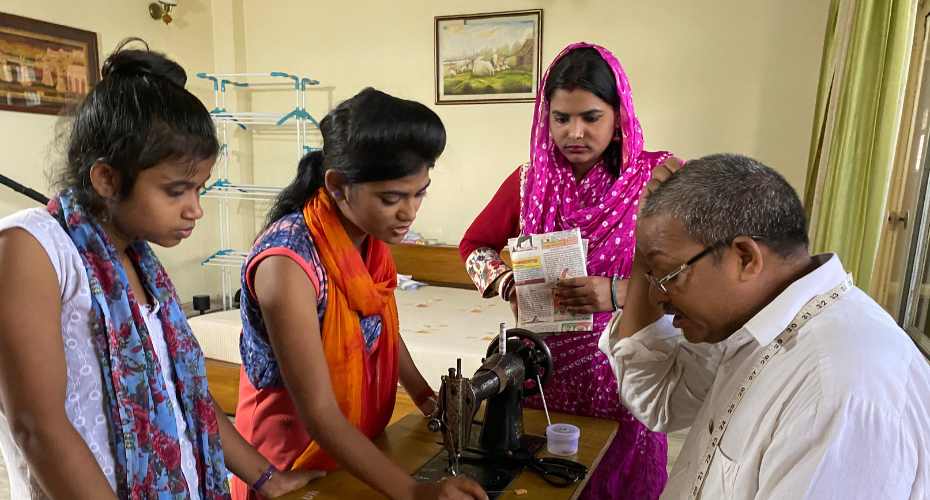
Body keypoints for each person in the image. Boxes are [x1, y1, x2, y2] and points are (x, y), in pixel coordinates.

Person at [0, 39, 319, 499]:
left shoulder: (137, 258)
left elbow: (183, 393)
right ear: (106, 178)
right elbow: (37, 428)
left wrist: (267, 478)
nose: (195, 210)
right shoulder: (32, 249)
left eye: (199, 190)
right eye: (176, 191)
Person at [601, 153, 930, 499]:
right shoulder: (752, 330)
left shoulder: (836, 387)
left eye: (669, 276)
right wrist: (649, 247)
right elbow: (656, 399)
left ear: (745, 258)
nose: (657, 296)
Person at [233, 87, 487, 500]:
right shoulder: (286, 266)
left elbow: (379, 326)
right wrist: (415, 492)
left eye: (419, 193)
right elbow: (318, 415)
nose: (409, 212)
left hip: (353, 442)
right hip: (291, 460)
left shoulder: (367, 236)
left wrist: (425, 397)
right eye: (392, 198)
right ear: (337, 186)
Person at [459, 42, 676, 499]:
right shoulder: (529, 181)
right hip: (544, 368)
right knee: (546, 481)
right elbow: (473, 246)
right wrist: (506, 282)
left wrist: (616, 293)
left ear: (618, 115)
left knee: (619, 481)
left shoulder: (659, 180)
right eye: (561, 118)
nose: (574, 132)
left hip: (622, 367)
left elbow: (689, 277)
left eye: (591, 117)